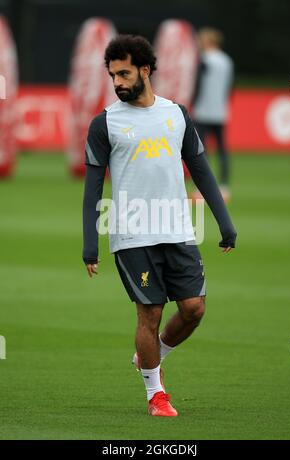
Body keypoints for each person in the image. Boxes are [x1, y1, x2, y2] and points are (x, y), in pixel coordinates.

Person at [82, 35, 237, 417]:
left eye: (124, 73)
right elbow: (91, 190)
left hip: (179, 230)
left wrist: (225, 222)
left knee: (193, 309)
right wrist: (90, 243)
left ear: (145, 70)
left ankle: (151, 355)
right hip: (132, 235)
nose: (117, 82)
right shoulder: (105, 123)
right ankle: (157, 394)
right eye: (112, 74)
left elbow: (200, 170)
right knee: (149, 314)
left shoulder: (177, 115)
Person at [192, 28, 234, 202]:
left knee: (201, 151)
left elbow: (197, 84)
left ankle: (202, 188)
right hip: (220, 111)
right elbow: (230, 86)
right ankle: (224, 186)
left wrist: (193, 101)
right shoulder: (227, 60)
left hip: (203, 111)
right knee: (223, 149)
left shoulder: (204, 60)